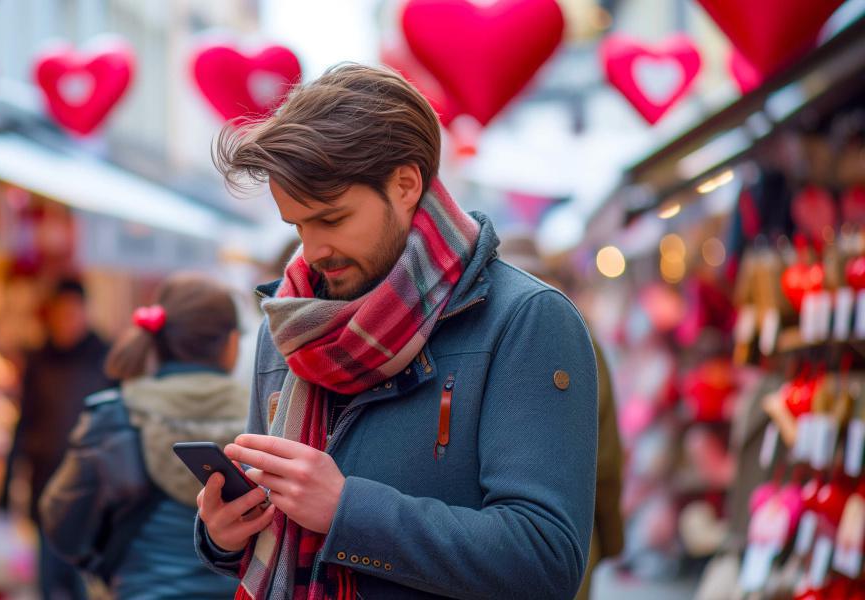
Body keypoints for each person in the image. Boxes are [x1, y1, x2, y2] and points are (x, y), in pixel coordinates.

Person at [193, 63, 600, 599]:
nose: (311, 250)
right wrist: (224, 534)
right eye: (298, 225)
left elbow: (545, 560)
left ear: (405, 184)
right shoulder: (289, 325)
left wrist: (347, 511)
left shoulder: (526, 319)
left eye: (332, 219)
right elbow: (274, 522)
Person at [39, 273, 246, 599]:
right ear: (232, 343)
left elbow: (63, 527)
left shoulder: (115, 416)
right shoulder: (270, 421)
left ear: (157, 338)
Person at [499, 230, 625, 600]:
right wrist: (612, 538)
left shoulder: (476, 335)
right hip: (569, 543)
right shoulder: (579, 333)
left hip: (494, 551)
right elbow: (605, 457)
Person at [1, 278, 111, 599]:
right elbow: (24, 421)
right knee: (48, 582)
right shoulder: (38, 360)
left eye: (72, 313)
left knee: (83, 584)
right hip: (45, 485)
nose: (66, 322)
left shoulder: (103, 358)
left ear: (84, 312)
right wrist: (7, 483)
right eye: (60, 314)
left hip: (91, 491)